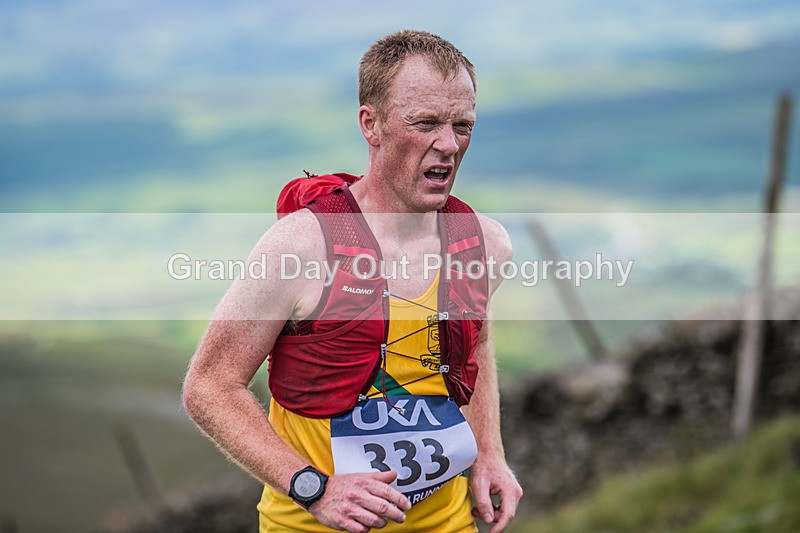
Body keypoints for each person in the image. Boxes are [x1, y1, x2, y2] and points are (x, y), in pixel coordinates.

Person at [183, 30, 522, 533]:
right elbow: (209, 387)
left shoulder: (484, 244)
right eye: (425, 122)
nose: (448, 144)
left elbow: (476, 344)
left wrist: (489, 452)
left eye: (462, 125)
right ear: (372, 124)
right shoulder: (300, 246)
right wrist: (313, 487)